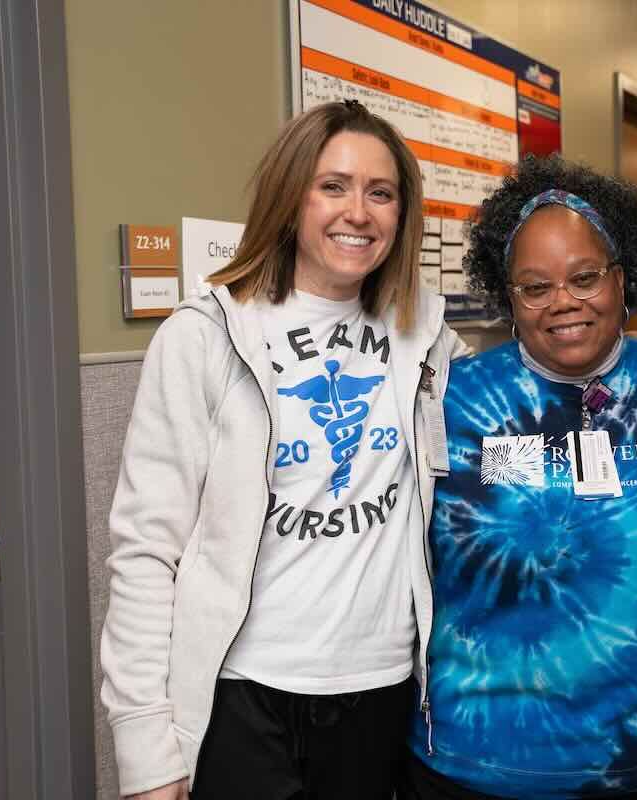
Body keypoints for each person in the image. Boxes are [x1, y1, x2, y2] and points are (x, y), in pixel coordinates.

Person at [100, 100, 468, 799]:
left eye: (380, 192)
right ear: (290, 195)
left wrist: (622, 357)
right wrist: (147, 743)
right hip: (245, 698)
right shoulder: (205, 337)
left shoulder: (424, 336)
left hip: (381, 691)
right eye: (333, 185)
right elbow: (146, 550)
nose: (357, 211)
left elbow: (521, 383)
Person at [398, 154, 637, 799]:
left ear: (623, 279)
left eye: (585, 278)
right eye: (535, 287)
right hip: (474, 763)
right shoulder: (447, 400)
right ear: (506, 296)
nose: (563, 303)